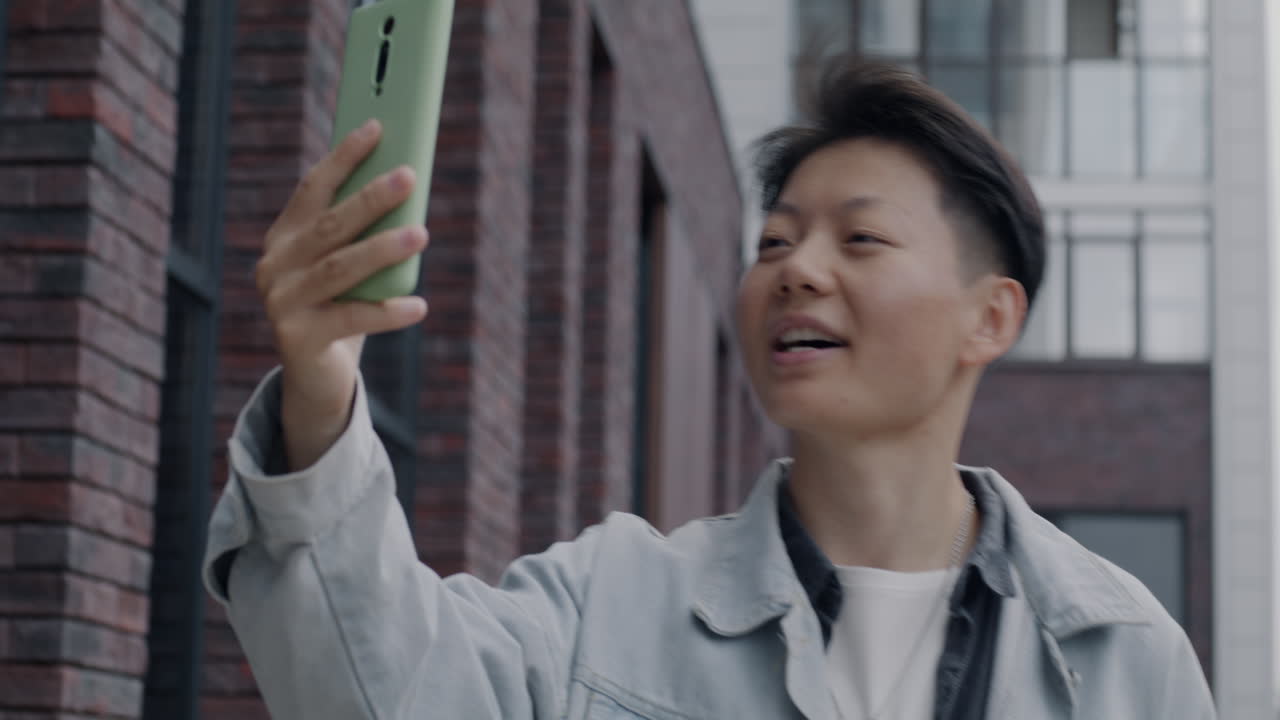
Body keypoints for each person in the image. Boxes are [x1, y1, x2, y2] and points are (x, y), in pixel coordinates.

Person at [203, 57, 1216, 719]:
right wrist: (322, 391)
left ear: (988, 317)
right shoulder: (605, 604)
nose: (795, 269)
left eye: (858, 238)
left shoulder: (1123, 658)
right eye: (773, 241)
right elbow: (378, 691)